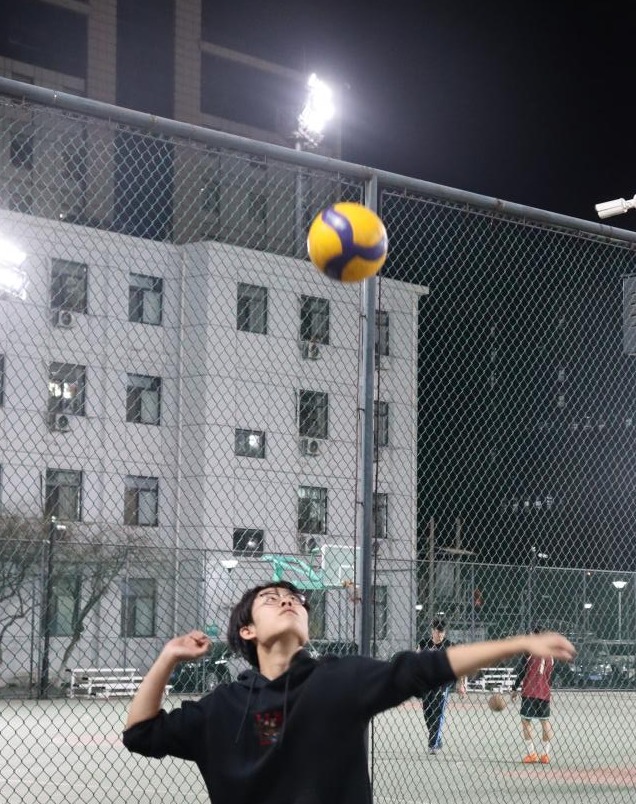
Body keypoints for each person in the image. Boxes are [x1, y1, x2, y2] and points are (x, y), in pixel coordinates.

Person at [122, 581, 575, 804]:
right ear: (247, 631)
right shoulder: (222, 708)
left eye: (295, 600)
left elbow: (423, 668)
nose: (288, 601)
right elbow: (141, 733)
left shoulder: (339, 679)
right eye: (271, 599)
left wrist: (518, 644)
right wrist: (167, 657)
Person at [417, 618, 466, 754]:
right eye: (438, 631)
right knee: (428, 713)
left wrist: (461, 684)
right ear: (432, 631)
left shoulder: (450, 646)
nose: (440, 634)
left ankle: (432, 744)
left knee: (438, 712)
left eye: (442, 632)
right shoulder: (423, 643)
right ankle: (436, 738)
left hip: (444, 682)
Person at [511, 625, 555, 764]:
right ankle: (545, 754)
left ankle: (532, 754)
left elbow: (522, 671)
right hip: (544, 692)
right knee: (545, 721)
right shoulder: (551, 654)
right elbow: (551, 675)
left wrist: (514, 688)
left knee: (526, 720)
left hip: (530, 691)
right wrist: (549, 688)